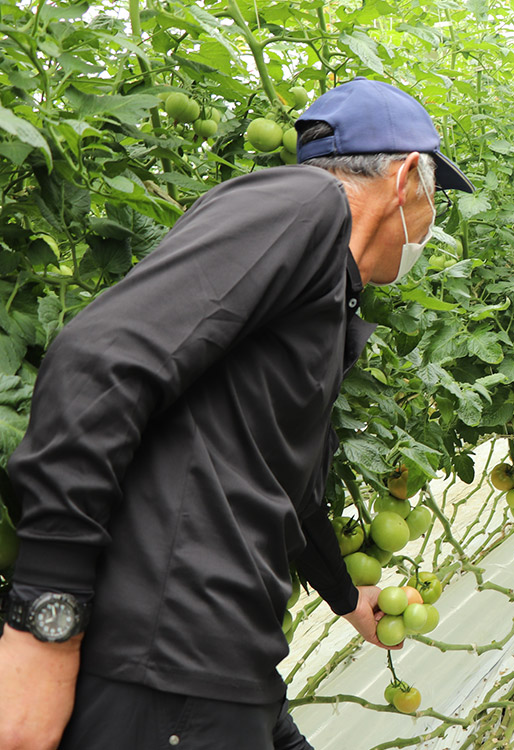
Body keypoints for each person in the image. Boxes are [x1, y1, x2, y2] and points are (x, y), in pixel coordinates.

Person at [0, 77, 474, 750]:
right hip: (164, 659)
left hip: (220, 658)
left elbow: (292, 482)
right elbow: (97, 360)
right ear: (404, 181)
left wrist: (344, 596)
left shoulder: (319, 292)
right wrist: (46, 622)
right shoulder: (306, 206)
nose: (429, 226)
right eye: (435, 201)